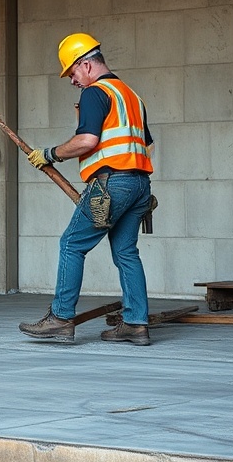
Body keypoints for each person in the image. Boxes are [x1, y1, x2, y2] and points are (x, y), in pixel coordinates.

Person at [19, 33, 155, 345]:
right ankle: (136, 323)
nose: (72, 80)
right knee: (125, 251)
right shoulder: (131, 96)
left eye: (72, 72)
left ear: (86, 64)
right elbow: (142, 144)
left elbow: (87, 141)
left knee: (71, 244)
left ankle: (61, 318)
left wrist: (50, 154)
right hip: (139, 185)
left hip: (111, 184)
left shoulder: (97, 93)